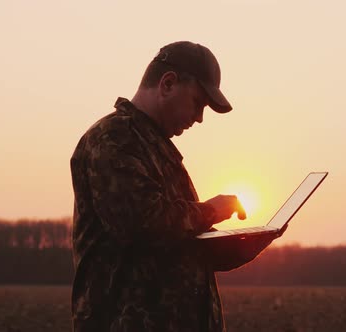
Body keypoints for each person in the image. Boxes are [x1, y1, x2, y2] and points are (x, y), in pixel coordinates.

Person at [70, 41, 286, 332]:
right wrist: (211, 210)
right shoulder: (113, 139)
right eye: (198, 103)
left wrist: (244, 246)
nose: (199, 118)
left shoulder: (156, 148)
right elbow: (141, 223)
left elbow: (179, 244)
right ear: (168, 84)